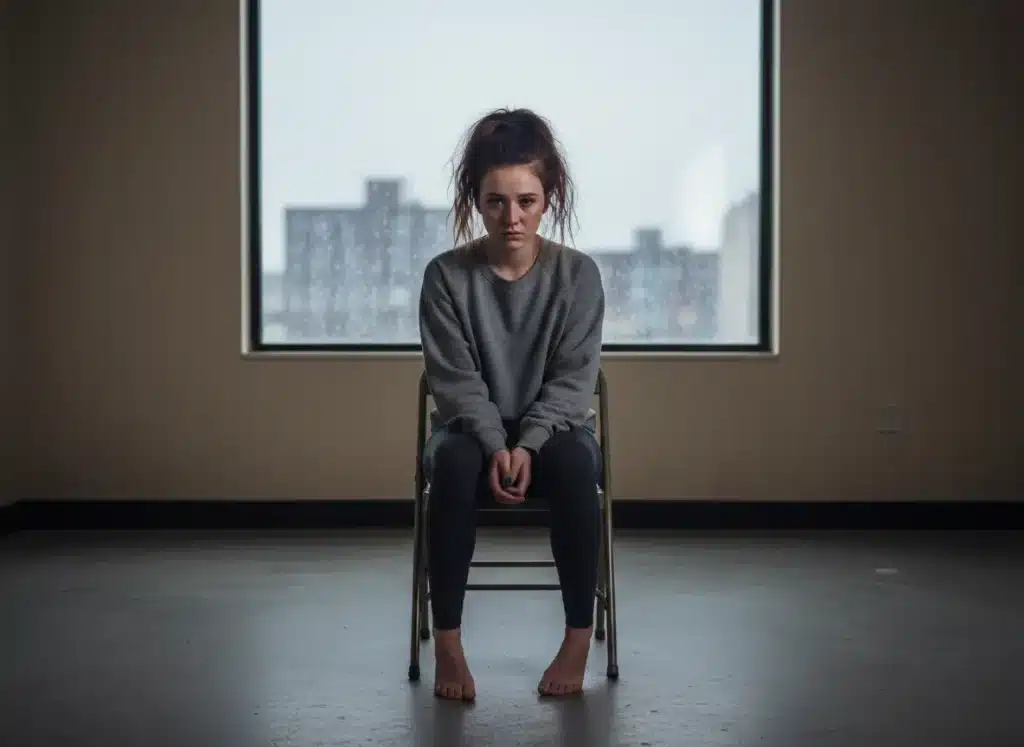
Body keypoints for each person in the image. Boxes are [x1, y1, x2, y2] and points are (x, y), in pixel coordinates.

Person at [418, 107, 605, 701]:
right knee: (451, 462)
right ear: (477, 201)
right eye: (496, 201)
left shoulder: (578, 277)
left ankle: (579, 636)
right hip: (472, 432)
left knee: (576, 464)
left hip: (554, 431)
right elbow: (455, 382)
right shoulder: (446, 276)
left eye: (526, 200)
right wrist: (498, 443)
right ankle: (448, 644)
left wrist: (529, 443)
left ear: (548, 198)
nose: (512, 217)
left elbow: (575, 381)